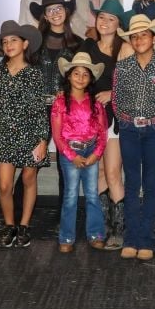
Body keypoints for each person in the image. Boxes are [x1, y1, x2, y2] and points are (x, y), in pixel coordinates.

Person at [113, 14, 155, 261]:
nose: (139, 39)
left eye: (143, 35)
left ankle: (147, 239)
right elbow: (116, 101)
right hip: (129, 130)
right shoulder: (123, 67)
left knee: (150, 184)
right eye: (134, 36)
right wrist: (126, 121)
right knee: (131, 183)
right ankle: (131, 239)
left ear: (153, 38)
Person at [78, 0, 134, 250]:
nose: (105, 22)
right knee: (98, 173)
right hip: (92, 120)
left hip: (115, 119)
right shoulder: (88, 47)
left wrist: (113, 94)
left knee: (112, 172)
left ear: (118, 24)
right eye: (102, 17)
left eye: (111, 19)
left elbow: (136, 84)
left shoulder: (126, 48)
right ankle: (99, 227)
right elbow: (77, 79)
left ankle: (119, 230)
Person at [0, 20, 49, 249]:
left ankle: (24, 225)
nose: (8, 44)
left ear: (25, 44)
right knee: (4, 185)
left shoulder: (34, 74)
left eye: (13, 40)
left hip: (30, 134)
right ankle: (9, 225)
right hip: (4, 133)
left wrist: (43, 139)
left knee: (28, 179)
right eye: (4, 41)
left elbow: (39, 109)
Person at [29, 0, 83, 227]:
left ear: (66, 12)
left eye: (59, 9)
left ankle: (65, 218)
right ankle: (23, 218)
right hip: (38, 109)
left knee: (65, 163)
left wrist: (68, 91)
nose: (55, 13)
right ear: (44, 15)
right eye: (50, 10)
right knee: (31, 163)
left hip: (65, 110)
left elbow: (83, 77)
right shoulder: (34, 44)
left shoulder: (77, 44)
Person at [51, 52, 108, 253]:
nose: (81, 78)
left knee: (92, 194)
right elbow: (57, 136)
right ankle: (66, 236)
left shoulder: (96, 103)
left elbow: (103, 132)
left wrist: (96, 153)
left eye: (85, 74)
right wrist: (71, 155)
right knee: (70, 195)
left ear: (91, 78)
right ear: (68, 76)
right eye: (76, 73)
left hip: (92, 149)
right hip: (70, 152)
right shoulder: (60, 103)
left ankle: (96, 233)